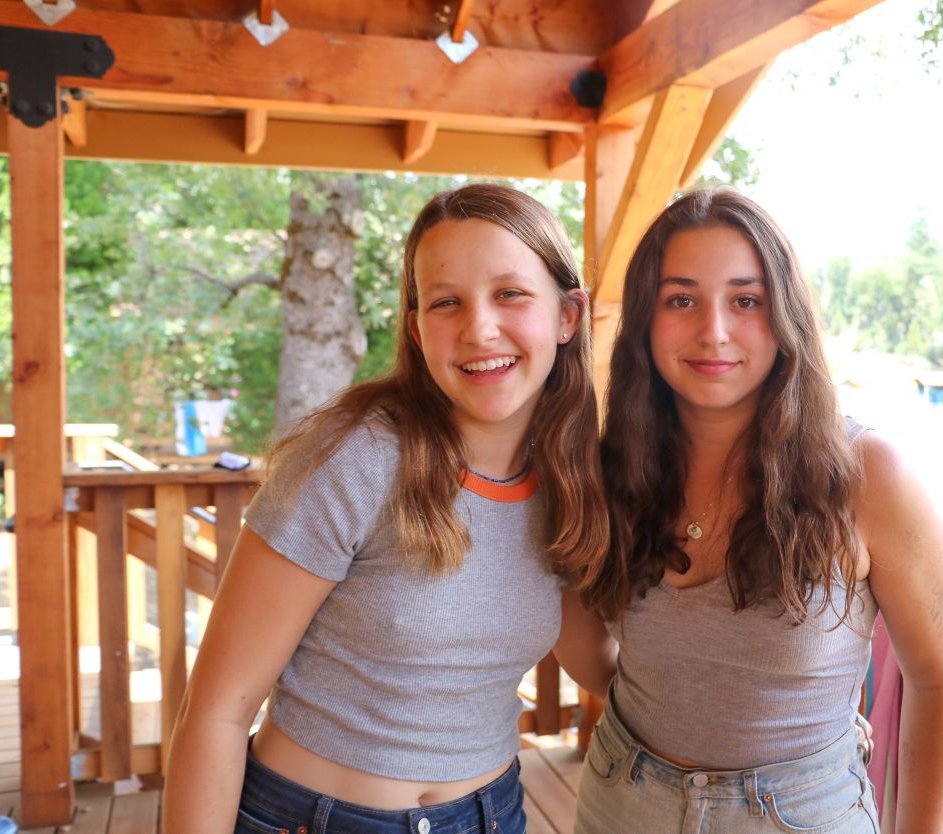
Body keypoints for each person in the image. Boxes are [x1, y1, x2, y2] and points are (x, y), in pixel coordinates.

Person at [163, 184, 614, 834]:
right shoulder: (353, 459)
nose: (479, 328)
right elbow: (216, 712)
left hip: (492, 814)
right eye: (446, 302)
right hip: (315, 819)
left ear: (568, 316)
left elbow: (592, 655)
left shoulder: (569, 478)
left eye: (510, 293)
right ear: (417, 329)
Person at [576, 189, 943, 833]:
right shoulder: (614, 467)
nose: (714, 330)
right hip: (621, 801)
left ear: (785, 316)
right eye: (680, 300)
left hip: (801, 815)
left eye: (746, 300)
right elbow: (583, 634)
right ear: (645, 318)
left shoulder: (868, 474)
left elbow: (937, 680)